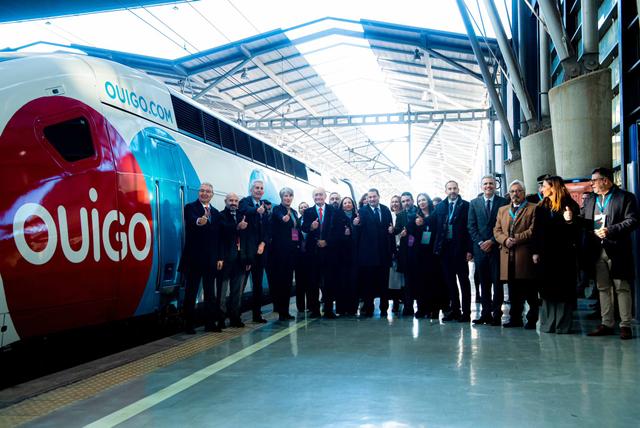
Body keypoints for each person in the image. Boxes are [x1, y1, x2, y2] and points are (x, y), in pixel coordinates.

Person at [583, 167, 639, 340]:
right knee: (602, 287)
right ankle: (606, 323)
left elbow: (632, 220)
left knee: (621, 287)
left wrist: (610, 230)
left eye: (594, 180)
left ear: (605, 180)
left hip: (617, 249)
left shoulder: (625, 197)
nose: (591, 183)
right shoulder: (591, 199)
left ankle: (625, 325)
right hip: (597, 250)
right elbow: (584, 221)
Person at [532, 176, 580, 334]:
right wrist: (535, 251)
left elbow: (577, 232)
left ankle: (562, 325)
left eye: (544, 186)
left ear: (553, 187)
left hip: (564, 255)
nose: (541, 189)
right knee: (547, 290)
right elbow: (536, 232)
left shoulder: (570, 206)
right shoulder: (541, 207)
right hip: (546, 255)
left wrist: (570, 221)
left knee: (563, 291)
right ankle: (548, 324)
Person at [179, 182, 224, 334]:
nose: (204, 193)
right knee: (191, 292)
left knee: (210, 293)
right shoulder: (190, 208)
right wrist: (200, 221)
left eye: (208, 191)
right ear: (199, 193)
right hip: (194, 259)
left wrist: (220, 258)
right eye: (202, 191)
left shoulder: (216, 213)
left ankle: (210, 323)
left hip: (211, 260)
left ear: (212, 195)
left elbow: (218, 238)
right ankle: (188, 325)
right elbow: (192, 220)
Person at [494, 180, 538, 328]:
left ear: (524, 193)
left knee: (530, 290)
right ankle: (515, 318)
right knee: (513, 290)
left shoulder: (533, 208)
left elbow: (533, 230)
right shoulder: (503, 210)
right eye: (512, 191)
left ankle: (532, 319)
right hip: (507, 256)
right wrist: (505, 240)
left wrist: (516, 239)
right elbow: (497, 230)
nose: (515, 194)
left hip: (524, 255)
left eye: (518, 191)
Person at [467, 176, 508, 325]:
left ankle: (497, 314)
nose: (488, 186)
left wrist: (491, 240)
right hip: (480, 250)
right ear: (481, 186)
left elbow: (505, 226)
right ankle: (485, 313)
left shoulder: (503, 202)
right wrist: (480, 242)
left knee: (497, 283)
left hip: (497, 248)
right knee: (484, 283)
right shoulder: (474, 203)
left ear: (495, 186)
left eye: (491, 183)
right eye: (485, 184)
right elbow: (471, 226)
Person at [433, 180, 473, 322]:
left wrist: (469, 249)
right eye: (449, 188)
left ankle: (466, 313)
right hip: (445, 251)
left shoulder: (466, 206)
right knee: (450, 282)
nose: (452, 191)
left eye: (454, 188)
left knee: (463, 281)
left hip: (461, 250)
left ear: (458, 189)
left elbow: (470, 229)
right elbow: (433, 225)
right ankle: (455, 310)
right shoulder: (440, 207)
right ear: (445, 191)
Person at [354, 188, 394, 317]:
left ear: (378, 196)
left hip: (383, 254)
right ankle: (369, 308)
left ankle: (384, 308)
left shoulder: (386, 210)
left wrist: (392, 249)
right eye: (369, 197)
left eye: (374, 197)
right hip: (368, 254)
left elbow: (390, 231)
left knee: (384, 282)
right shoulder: (362, 211)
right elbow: (358, 233)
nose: (372, 199)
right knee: (368, 283)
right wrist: (355, 225)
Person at [406, 193, 446, 318]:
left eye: (423, 200)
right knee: (421, 282)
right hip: (420, 254)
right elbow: (410, 233)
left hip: (433, 253)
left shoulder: (436, 215)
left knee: (434, 281)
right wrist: (417, 225)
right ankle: (422, 308)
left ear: (428, 201)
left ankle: (435, 309)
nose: (421, 202)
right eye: (419, 201)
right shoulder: (415, 216)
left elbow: (440, 231)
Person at [301, 187, 337, 318]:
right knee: (313, 282)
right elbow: (304, 227)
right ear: (313, 197)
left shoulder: (334, 211)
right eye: (316, 195)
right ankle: (315, 310)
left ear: (325, 196)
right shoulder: (308, 212)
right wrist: (311, 227)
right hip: (313, 253)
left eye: (320, 195)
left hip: (329, 252)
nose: (318, 197)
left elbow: (337, 231)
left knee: (328, 282)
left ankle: (328, 309)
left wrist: (327, 241)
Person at [219, 192, 252, 328]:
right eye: (230, 200)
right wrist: (236, 227)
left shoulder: (242, 216)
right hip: (226, 259)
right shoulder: (220, 216)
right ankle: (220, 319)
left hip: (241, 260)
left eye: (235, 200)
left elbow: (247, 240)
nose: (233, 203)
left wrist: (248, 259)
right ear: (225, 201)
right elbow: (220, 236)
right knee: (221, 291)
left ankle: (235, 317)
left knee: (237, 292)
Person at [269, 187, 302, 321]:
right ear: (281, 197)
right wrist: (284, 218)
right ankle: (282, 311)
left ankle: (285, 310)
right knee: (281, 282)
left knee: (288, 282)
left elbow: (296, 229)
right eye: (285, 196)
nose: (288, 198)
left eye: (290, 195)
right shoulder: (277, 209)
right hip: (280, 252)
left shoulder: (294, 212)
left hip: (292, 251)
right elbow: (279, 218)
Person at [239, 180, 268, 323]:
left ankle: (257, 314)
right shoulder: (245, 202)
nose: (259, 190)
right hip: (247, 252)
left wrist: (263, 243)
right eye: (256, 188)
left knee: (258, 285)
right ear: (251, 190)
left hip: (260, 252)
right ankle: (235, 316)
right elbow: (244, 210)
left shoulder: (264, 206)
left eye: (261, 188)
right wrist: (257, 210)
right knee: (241, 285)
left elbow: (266, 229)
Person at [394, 192, 418, 315]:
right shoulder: (401, 215)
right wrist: (395, 231)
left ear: (412, 200)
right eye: (403, 201)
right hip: (406, 252)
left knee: (419, 279)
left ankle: (422, 306)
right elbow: (397, 229)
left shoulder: (419, 212)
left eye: (407, 200)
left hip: (419, 251)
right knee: (407, 281)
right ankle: (408, 307)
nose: (405, 203)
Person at [336, 196, 359, 315]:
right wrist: (343, 234)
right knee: (342, 281)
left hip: (355, 254)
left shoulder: (358, 217)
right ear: (342, 205)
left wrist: (355, 227)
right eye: (345, 203)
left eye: (349, 202)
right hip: (342, 254)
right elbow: (334, 233)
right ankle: (341, 308)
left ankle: (353, 308)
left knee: (353, 281)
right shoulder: (338, 217)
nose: (347, 204)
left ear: (353, 204)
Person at [389, 195, 404, 313]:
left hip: (403, 249)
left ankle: (403, 299)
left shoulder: (404, 215)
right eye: (393, 202)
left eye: (397, 202)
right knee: (394, 278)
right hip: (393, 249)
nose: (395, 204)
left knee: (403, 277)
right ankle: (395, 301)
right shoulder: (389, 216)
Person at [295, 201, 311, 313]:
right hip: (299, 256)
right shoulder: (296, 221)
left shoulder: (313, 219)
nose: (303, 209)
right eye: (301, 207)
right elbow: (294, 236)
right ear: (299, 209)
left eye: (305, 207)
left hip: (310, 255)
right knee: (299, 282)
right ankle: (300, 306)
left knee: (310, 282)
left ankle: (311, 305)